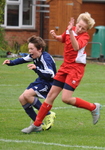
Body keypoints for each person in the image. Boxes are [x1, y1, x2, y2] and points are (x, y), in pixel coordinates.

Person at [20, 12, 101, 134]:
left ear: (86, 30)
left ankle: (93, 107)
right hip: (65, 67)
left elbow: (76, 46)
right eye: (78, 26)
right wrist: (55, 36)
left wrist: (71, 32)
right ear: (77, 23)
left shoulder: (84, 37)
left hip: (76, 69)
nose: (79, 29)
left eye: (83, 28)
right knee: (51, 95)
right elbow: (63, 38)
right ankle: (37, 124)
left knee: (66, 99)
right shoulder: (71, 30)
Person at [2, 35, 56, 131]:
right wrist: (10, 62)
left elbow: (51, 74)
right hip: (41, 80)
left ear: (40, 49)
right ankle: (38, 124)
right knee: (22, 98)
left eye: (32, 49)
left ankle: (48, 114)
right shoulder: (34, 56)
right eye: (29, 48)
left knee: (27, 95)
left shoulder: (45, 58)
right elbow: (22, 59)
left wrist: (36, 69)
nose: (29, 51)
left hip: (49, 83)